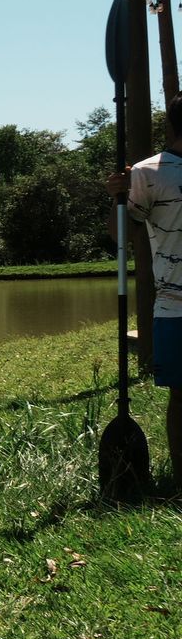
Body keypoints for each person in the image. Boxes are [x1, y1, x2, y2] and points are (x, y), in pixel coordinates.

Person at [107, 97, 182, 468]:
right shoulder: (148, 172)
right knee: (181, 396)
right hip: (175, 306)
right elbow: (120, 235)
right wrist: (118, 197)